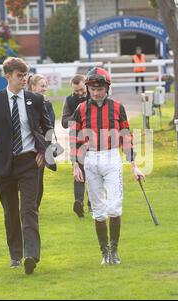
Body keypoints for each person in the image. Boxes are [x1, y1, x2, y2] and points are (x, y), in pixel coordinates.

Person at [0, 57, 53, 275]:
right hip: (3, 166)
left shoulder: (35, 100)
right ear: (8, 76)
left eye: (26, 75)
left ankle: (31, 256)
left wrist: (45, 152)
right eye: (20, 75)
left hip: (29, 163)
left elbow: (48, 129)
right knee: (10, 212)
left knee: (29, 209)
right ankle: (16, 255)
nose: (24, 79)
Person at [69, 67, 145, 265]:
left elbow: (126, 135)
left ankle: (114, 250)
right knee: (99, 210)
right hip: (90, 159)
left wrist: (134, 166)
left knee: (114, 207)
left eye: (100, 88)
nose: (96, 93)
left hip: (112, 158)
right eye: (92, 89)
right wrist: (75, 166)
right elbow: (73, 138)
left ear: (107, 87)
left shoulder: (118, 107)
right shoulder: (81, 109)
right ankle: (104, 252)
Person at [62, 75, 91, 218]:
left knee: (94, 171)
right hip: (77, 139)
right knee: (79, 171)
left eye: (81, 90)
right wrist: (77, 113)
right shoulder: (69, 100)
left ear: (86, 84)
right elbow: (64, 122)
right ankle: (79, 203)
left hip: (96, 140)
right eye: (76, 91)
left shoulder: (95, 94)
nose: (79, 93)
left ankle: (92, 203)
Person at [27, 73, 55, 209]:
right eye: (42, 86)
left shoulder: (47, 105)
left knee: (38, 178)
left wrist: (44, 151)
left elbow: (49, 128)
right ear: (32, 87)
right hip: (24, 147)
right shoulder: (22, 102)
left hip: (40, 148)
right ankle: (26, 206)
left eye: (46, 86)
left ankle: (34, 208)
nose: (44, 89)